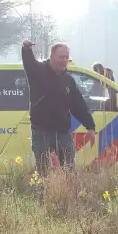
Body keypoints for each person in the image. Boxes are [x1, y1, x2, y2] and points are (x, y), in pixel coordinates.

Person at [21, 40, 97, 173]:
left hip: (63, 132)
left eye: (66, 57)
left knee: (69, 169)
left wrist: (90, 126)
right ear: (52, 57)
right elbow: (29, 63)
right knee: (43, 170)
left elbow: (78, 105)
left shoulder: (68, 80)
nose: (64, 60)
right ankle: (45, 192)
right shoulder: (37, 72)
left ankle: (66, 192)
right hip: (41, 131)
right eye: (61, 57)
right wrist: (26, 49)